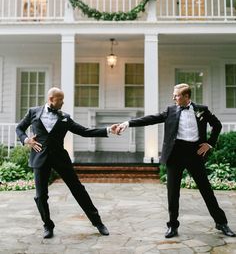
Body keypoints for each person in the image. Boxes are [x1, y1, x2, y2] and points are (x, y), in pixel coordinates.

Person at [117, 83, 235, 238]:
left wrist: (210, 144)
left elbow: (217, 125)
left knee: (206, 190)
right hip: (175, 154)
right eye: (173, 95)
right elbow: (150, 119)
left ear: (186, 96)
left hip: (195, 153)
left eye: (177, 95)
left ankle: (221, 223)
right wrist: (128, 123)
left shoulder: (202, 110)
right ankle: (173, 226)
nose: (173, 97)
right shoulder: (170, 110)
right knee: (173, 193)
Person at [16, 87, 118, 239]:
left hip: (60, 158)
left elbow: (84, 131)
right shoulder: (33, 112)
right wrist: (26, 140)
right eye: (60, 100)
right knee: (41, 196)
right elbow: (19, 128)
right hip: (40, 157)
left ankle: (98, 222)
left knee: (78, 189)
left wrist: (108, 129)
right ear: (51, 99)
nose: (63, 103)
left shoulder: (65, 117)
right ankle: (47, 226)